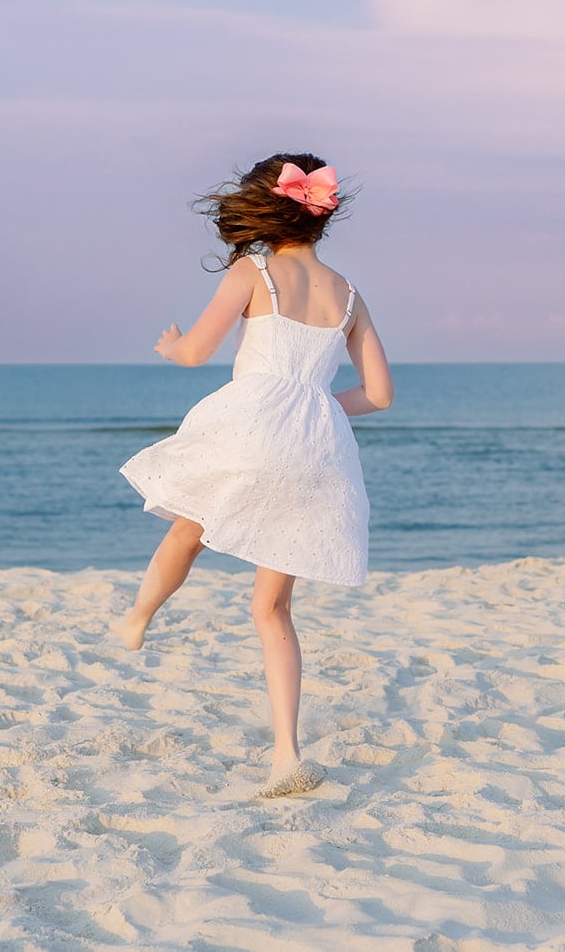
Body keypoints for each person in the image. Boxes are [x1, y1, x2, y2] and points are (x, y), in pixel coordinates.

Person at [114, 152, 394, 799]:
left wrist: (171, 346)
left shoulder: (255, 271)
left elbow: (195, 353)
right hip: (314, 447)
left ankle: (138, 617)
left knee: (189, 524)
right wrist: (321, 404)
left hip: (254, 424)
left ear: (265, 207)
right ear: (321, 213)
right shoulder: (350, 295)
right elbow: (378, 395)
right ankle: (285, 754)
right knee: (272, 607)